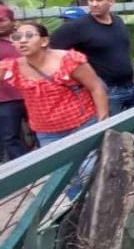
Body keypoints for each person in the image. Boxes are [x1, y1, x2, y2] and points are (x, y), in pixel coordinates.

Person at [0, 22, 108, 198]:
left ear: (44, 41)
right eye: (17, 37)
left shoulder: (68, 60)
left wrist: (103, 121)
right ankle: (78, 215)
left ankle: (103, 210)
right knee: (65, 177)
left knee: (89, 170)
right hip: (47, 133)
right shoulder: (12, 67)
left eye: (29, 36)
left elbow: (96, 87)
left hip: (82, 125)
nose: (22, 41)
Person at [50, 0, 134, 116]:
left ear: (111, 2)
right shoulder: (78, 27)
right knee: (113, 132)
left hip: (131, 86)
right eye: (90, 0)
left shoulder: (118, 22)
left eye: (98, 0)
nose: (93, 4)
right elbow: (51, 51)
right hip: (107, 91)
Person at [0, 6, 27, 160]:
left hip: (33, 93)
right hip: (5, 99)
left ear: (12, 20)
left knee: (42, 131)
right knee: (10, 137)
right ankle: (26, 175)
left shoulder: (26, 38)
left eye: (2, 20)